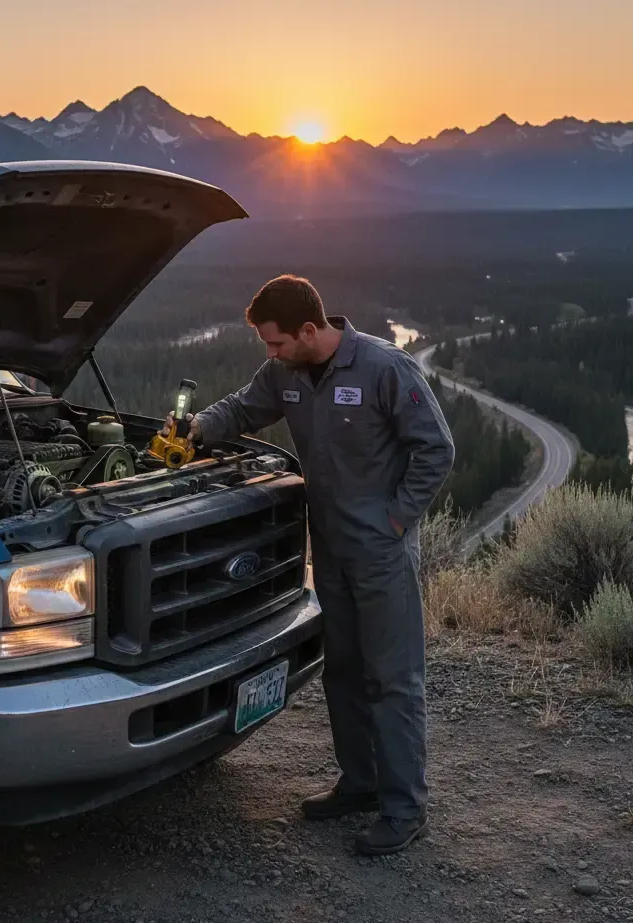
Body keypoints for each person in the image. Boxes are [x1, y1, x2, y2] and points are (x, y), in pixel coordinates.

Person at [168, 274, 455, 855]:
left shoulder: (385, 369)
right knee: (343, 669)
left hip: (381, 553)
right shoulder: (286, 373)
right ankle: (360, 784)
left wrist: (396, 520)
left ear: (308, 329)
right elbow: (245, 408)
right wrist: (197, 428)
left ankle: (405, 810)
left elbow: (437, 448)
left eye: (275, 343)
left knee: (392, 680)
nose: (269, 355)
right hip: (326, 548)